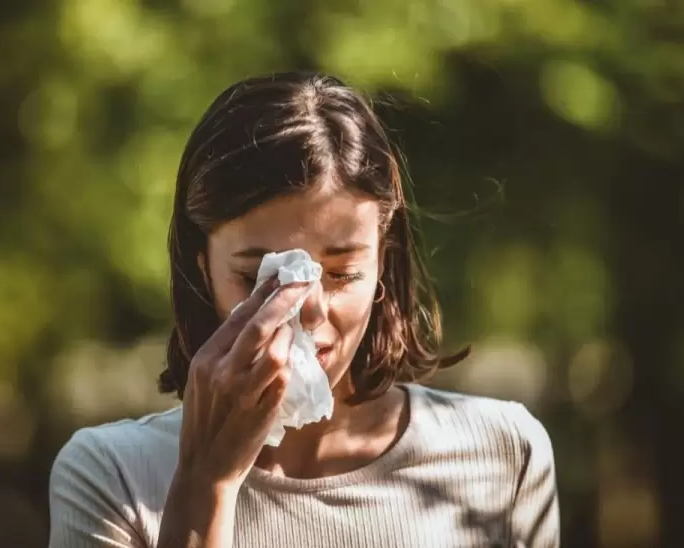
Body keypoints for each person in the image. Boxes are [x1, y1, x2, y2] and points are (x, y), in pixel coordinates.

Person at [48, 71, 559, 548]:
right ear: (202, 267)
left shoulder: (503, 453)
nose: (307, 311)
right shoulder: (113, 477)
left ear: (385, 261)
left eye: (340, 274)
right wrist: (206, 484)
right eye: (259, 278)